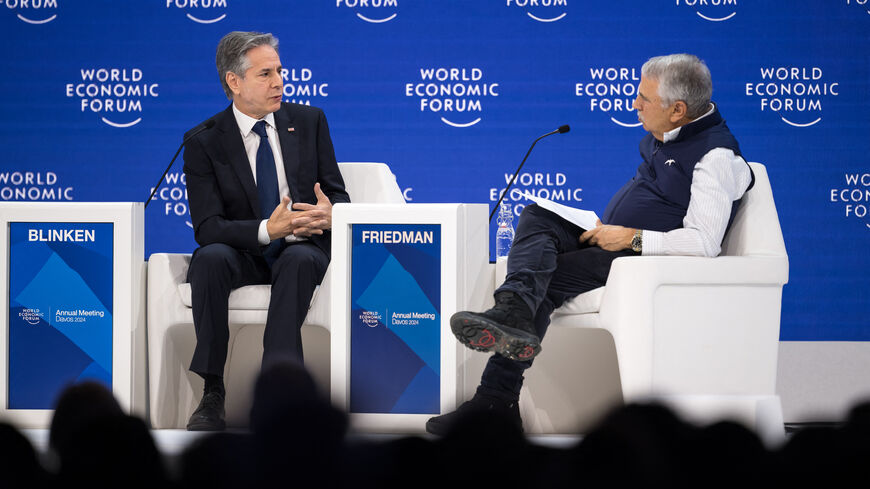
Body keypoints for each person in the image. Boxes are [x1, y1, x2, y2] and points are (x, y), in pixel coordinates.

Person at [427, 54, 755, 435]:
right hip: (611, 239)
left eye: (644, 99)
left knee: (544, 278)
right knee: (537, 215)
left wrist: (629, 237)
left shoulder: (715, 158)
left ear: (678, 109)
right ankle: (513, 310)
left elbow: (704, 242)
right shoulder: (664, 136)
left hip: (638, 258)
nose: (635, 105)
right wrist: (607, 228)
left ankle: (495, 401)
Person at [182, 31, 349, 431]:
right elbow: (207, 228)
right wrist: (264, 229)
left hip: (301, 246)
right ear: (234, 82)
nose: (278, 82)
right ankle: (212, 391)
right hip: (243, 251)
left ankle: (280, 394)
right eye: (265, 74)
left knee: (298, 260)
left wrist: (331, 215)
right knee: (209, 259)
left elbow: (338, 197)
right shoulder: (203, 141)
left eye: (279, 71)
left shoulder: (309, 122)